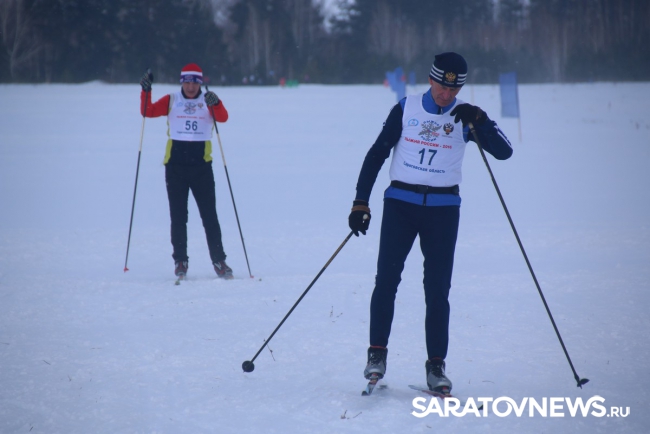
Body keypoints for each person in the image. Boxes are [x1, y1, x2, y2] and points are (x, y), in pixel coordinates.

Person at [348, 52, 513, 393]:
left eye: (454, 90)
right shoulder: (406, 109)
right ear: (431, 80)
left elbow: (504, 151)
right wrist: (360, 201)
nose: (446, 95)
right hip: (400, 206)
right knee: (386, 281)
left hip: (443, 210)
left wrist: (481, 120)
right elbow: (376, 154)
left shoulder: (465, 116)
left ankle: (436, 366)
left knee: (437, 289)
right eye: (442, 87)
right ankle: (376, 355)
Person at [139, 63, 233, 279]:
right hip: (175, 168)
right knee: (178, 216)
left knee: (209, 216)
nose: (191, 87)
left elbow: (223, 117)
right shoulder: (172, 100)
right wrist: (146, 91)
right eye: (187, 82)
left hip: (202, 167)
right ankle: (180, 261)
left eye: (195, 82)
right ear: (182, 82)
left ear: (200, 83)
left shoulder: (208, 100)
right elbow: (147, 111)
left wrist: (217, 103)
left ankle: (219, 260)